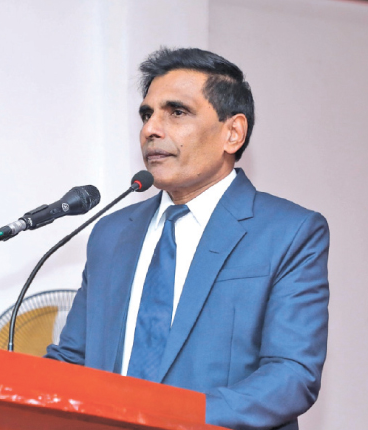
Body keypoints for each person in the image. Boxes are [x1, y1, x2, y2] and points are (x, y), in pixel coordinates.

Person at [45, 47, 329, 430]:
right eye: (146, 114)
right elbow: (73, 359)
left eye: (176, 112)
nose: (151, 129)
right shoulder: (111, 233)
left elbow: (291, 376)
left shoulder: (289, 232)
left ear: (233, 133)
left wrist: (172, 418)